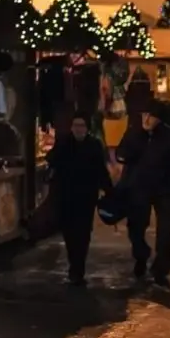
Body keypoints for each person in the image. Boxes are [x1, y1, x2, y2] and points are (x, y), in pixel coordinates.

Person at [114, 107, 170, 288]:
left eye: (151, 115)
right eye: (144, 114)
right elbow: (122, 153)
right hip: (139, 188)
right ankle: (141, 255)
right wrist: (139, 137)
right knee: (136, 227)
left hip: (164, 190)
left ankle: (160, 270)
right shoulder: (134, 132)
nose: (146, 119)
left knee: (165, 230)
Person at [46, 114, 114, 285]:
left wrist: (109, 191)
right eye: (76, 125)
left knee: (83, 233)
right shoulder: (64, 143)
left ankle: (78, 267)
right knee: (69, 232)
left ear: (87, 128)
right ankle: (73, 264)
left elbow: (101, 170)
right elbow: (52, 160)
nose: (78, 129)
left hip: (86, 196)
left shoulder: (94, 145)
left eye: (82, 125)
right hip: (66, 195)